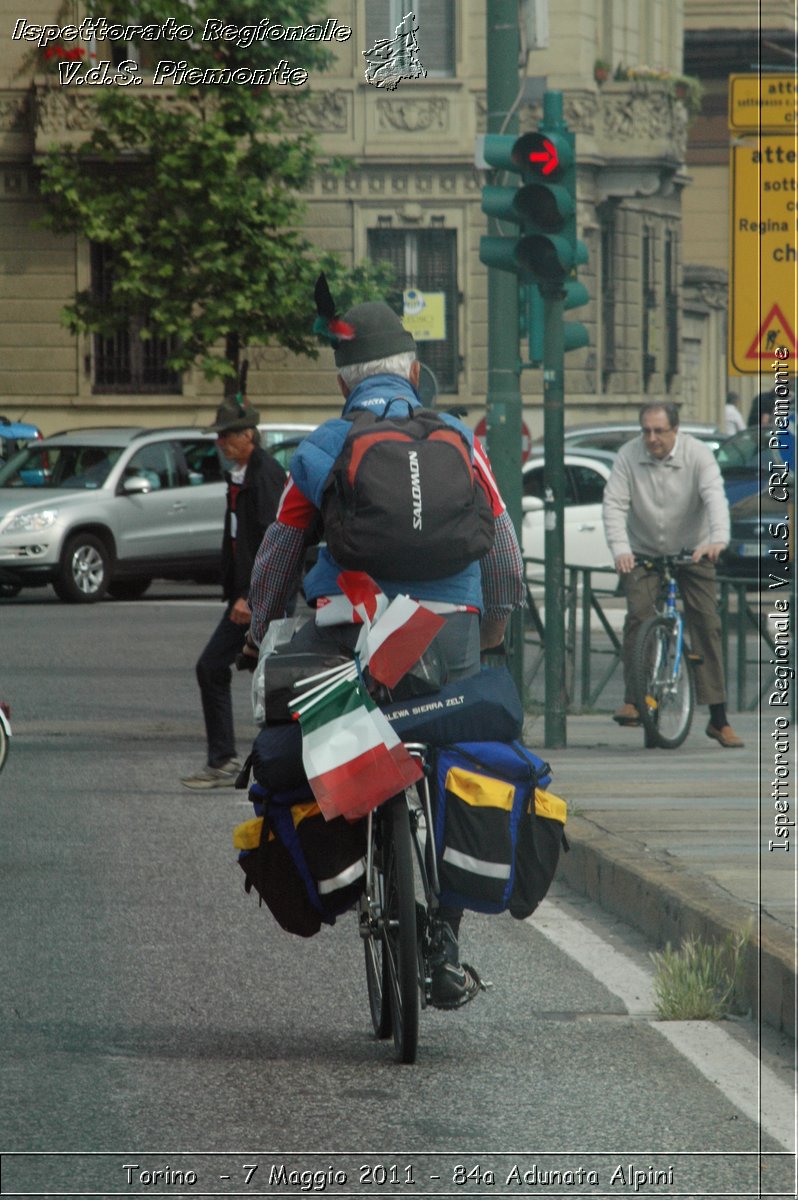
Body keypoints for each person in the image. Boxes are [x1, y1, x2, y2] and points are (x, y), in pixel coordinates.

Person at [244, 298, 525, 1007]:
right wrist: (490, 632)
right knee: (452, 763)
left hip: (349, 631)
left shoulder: (323, 446)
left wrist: (259, 634)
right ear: (417, 374)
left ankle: (355, 862)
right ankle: (445, 945)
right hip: (450, 626)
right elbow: (506, 551)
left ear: (344, 385)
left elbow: (279, 555)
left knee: (333, 737)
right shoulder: (458, 436)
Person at [602, 401, 744, 749]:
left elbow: (714, 498)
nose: (652, 438)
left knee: (705, 623)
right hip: (643, 550)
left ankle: (718, 718)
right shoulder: (627, 456)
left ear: (676, 430)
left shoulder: (698, 456)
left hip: (693, 550)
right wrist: (621, 549)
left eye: (659, 431)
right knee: (639, 615)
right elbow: (614, 504)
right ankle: (636, 700)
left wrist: (717, 541)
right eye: (646, 431)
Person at [181, 398, 286, 790]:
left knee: (220, 668)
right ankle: (236, 760)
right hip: (248, 595)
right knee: (268, 679)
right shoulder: (243, 474)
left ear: (248, 435)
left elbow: (275, 544)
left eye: (226, 436)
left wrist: (251, 597)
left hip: (260, 597)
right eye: (219, 436)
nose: (220, 443)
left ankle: (232, 760)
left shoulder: (265, 476)